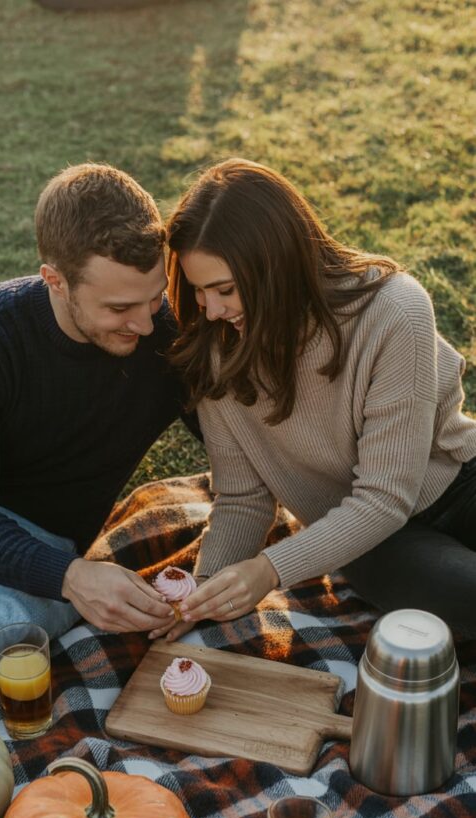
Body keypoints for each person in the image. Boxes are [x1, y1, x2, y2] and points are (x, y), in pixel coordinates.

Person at [152, 157, 476, 642]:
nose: (211, 310)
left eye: (224, 290)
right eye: (200, 292)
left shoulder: (393, 311)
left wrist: (268, 569)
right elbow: (242, 498)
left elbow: (388, 493)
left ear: (276, 268)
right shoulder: (219, 349)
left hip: (456, 483)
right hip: (372, 539)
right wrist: (200, 595)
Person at [0, 162, 197, 675]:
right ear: (56, 281)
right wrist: (72, 576)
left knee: (21, 628)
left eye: (155, 297)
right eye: (120, 307)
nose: (146, 323)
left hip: (41, 544)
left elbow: (243, 443)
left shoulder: (173, 340)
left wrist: (68, 576)